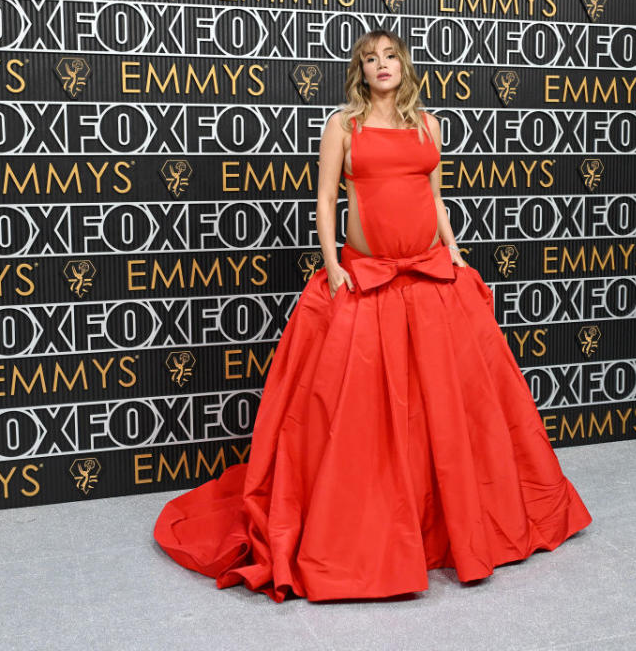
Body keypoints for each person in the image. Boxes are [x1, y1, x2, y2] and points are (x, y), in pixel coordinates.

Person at [153, 29, 592, 603]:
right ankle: (372, 529)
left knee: (451, 409)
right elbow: (327, 200)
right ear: (359, 71)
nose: (380, 65)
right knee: (362, 416)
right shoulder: (343, 126)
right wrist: (333, 265)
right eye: (369, 58)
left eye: (389, 57)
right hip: (368, 279)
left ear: (402, 66)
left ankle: (449, 524)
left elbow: (435, 198)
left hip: (431, 278)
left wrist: (455, 253)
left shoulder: (428, 124)